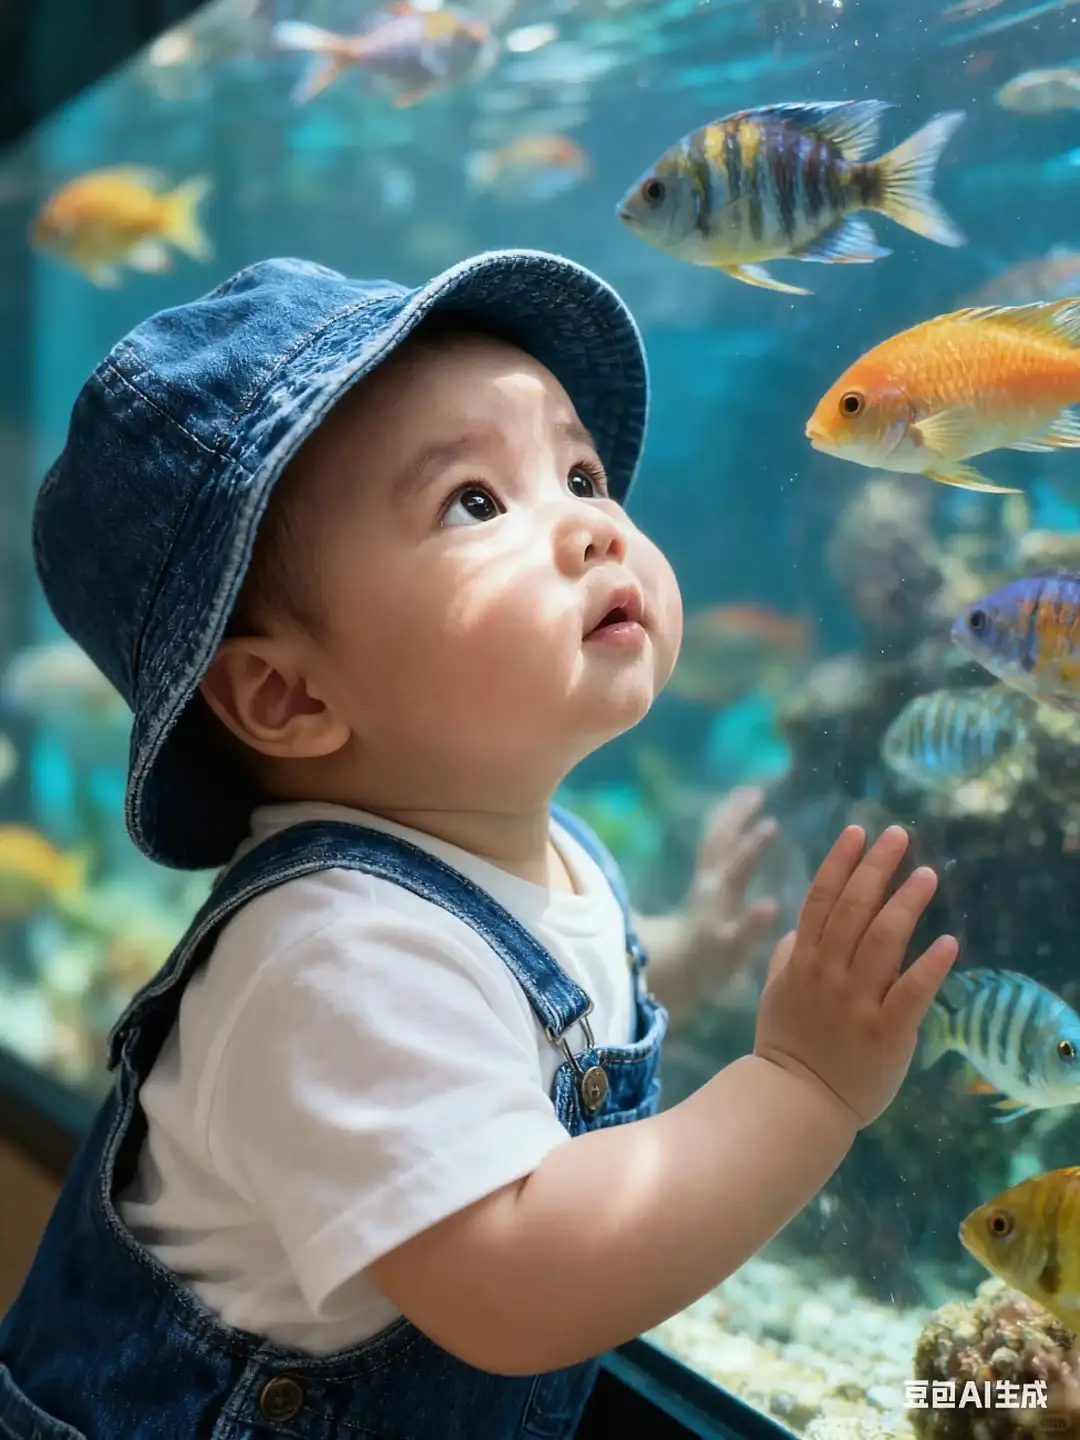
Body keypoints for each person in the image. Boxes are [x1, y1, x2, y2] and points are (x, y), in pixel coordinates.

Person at [0, 250, 957, 1440]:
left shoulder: (523, 844)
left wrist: (682, 954)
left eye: (581, 471)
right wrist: (803, 1088)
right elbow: (518, 1285)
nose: (596, 529)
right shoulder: (331, 955)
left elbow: (514, 1003)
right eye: (477, 502)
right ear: (289, 702)